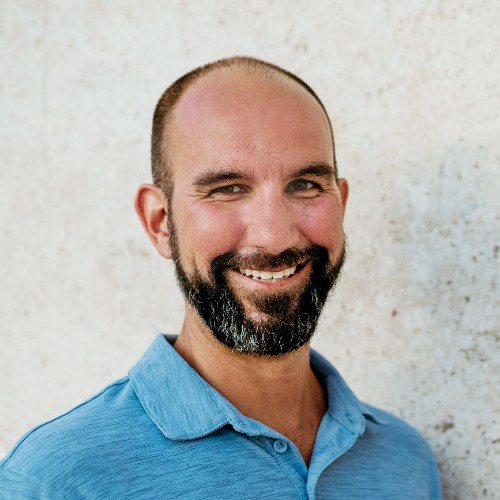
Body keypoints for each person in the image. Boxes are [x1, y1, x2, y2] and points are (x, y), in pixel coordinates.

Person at [0, 57, 441, 499]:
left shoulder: (404, 461)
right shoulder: (53, 480)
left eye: (306, 184)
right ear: (160, 223)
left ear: (340, 204)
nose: (273, 236)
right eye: (227, 189)